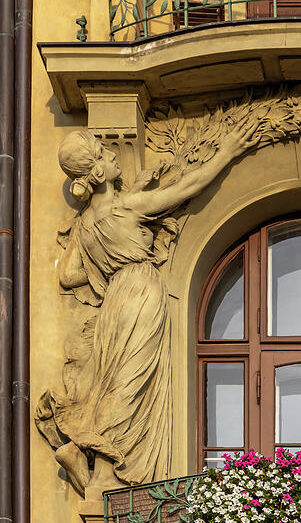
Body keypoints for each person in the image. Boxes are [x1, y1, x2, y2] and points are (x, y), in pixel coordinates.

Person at [36, 121, 258, 494]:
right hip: (140, 291)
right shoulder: (126, 207)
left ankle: (84, 450)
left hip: (115, 303)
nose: (112, 155)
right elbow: (186, 188)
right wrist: (228, 152)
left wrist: (105, 262)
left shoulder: (87, 222)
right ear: (100, 171)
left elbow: (70, 275)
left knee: (115, 378)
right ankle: (107, 471)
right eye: (106, 154)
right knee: (131, 383)